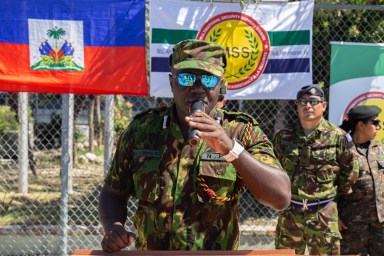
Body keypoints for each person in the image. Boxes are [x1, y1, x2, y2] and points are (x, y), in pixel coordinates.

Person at [98, 39, 291, 252]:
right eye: (187, 78)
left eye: (208, 80)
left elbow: (281, 197)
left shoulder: (240, 131)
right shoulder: (142, 129)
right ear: (172, 82)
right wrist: (114, 227)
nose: (197, 89)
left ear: (221, 85)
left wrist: (230, 148)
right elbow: (113, 193)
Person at [273, 84, 359, 255]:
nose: (308, 106)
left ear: (324, 105)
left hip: (323, 214)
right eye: (303, 101)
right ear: (297, 106)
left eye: (313, 101)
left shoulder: (339, 137)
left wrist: (334, 204)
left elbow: (350, 173)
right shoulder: (283, 137)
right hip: (291, 213)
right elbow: (273, 171)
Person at [338, 105, 384, 256]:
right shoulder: (343, 150)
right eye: (375, 123)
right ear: (361, 125)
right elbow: (331, 185)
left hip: (380, 222)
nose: (379, 126)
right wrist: (335, 217)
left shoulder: (380, 148)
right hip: (353, 224)